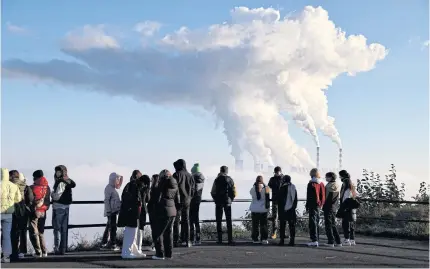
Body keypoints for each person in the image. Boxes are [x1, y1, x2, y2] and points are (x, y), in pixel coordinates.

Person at [150, 169, 180, 260]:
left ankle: (159, 254)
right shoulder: (175, 184)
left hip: (163, 211)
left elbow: (157, 198)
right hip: (173, 211)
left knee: (157, 232)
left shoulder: (163, 183)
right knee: (168, 233)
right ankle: (169, 253)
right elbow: (178, 200)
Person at [117, 170, 144, 258]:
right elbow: (134, 199)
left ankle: (133, 250)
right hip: (132, 212)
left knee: (133, 232)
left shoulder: (130, 185)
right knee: (130, 232)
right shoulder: (134, 185)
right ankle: (126, 252)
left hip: (130, 211)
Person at [51, 165, 76, 255]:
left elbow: (57, 196)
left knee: (57, 229)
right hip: (66, 207)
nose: (57, 173)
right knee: (64, 229)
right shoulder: (67, 181)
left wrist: (52, 194)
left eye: (59, 171)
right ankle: (63, 248)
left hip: (58, 207)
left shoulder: (61, 182)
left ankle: (57, 248)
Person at [9, 171, 33, 261]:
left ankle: (13, 251)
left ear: (11, 176)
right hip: (23, 210)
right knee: (22, 231)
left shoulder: (9, 185)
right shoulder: (25, 186)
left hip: (11, 210)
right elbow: (30, 199)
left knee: (12, 231)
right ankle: (22, 251)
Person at [211, 165, 236, 245]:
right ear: (227, 171)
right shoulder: (231, 179)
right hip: (228, 202)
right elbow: (234, 191)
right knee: (229, 221)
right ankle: (230, 239)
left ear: (220, 170)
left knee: (219, 221)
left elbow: (213, 191)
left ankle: (220, 239)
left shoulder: (217, 180)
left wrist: (216, 199)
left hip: (219, 202)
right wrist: (230, 199)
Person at [0, 168, 22, 263]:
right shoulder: (13, 186)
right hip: (9, 212)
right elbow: (18, 199)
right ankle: (6, 256)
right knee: (7, 235)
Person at [172, 159, 194, 247]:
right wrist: (190, 198)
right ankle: (187, 240)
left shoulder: (176, 175)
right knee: (186, 220)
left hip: (178, 201)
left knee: (176, 221)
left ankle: (176, 240)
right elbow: (193, 189)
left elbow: (173, 188)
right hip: (187, 201)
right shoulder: (190, 175)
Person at [29, 170, 51, 257]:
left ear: (35, 177)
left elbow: (30, 200)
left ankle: (38, 252)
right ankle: (44, 251)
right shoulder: (47, 187)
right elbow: (48, 200)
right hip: (44, 211)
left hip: (35, 211)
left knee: (34, 231)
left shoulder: (32, 187)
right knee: (41, 231)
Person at [101, 172, 123, 251]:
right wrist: (109, 211)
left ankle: (104, 243)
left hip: (113, 211)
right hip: (112, 211)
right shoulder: (109, 188)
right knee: (113, 228)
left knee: (109, 227)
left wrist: (121, 178)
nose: (118, 180)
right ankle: (112, 244)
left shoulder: (113, 188)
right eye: (117, 179)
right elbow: (106, 200)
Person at [305, 168, 325, 247]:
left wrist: (307, 206)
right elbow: (323, 195)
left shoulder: (311, 184)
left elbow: (309, 196)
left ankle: (314, 240)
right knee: (317, 221)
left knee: (312, 222)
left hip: (312, 205)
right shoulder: (321, 184)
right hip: (318, 205)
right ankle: (317, 239)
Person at [277, 175, 298, 246]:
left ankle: (282, 240)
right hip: (291, 209)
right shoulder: (293, 187)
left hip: (283, 209)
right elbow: (295, 199)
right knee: (292, 225)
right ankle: (292, 240)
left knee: (282, 225)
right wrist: (293, 207)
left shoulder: (283, 188)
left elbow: (280, 200)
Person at [322, 172, 342, 247]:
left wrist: (324, 206)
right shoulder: (337, 185)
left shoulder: (328, 186)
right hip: (334, 207)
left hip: (328, 207)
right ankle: (338, 241)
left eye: (327, 177)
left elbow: (327, 198)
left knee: (328, 224)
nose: (326, 178)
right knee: (333, 224)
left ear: (330, 177)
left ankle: (330, 241)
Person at [339, 170, 358, 246]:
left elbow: (345, 197)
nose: (340, 177)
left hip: (347, 205)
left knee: (345, 223)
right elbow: (354, 194)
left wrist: (343, 206)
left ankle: (347, 239)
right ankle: (352, 239)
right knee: (351, 222)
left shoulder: (345, 184)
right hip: (352, 206)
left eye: (340, 176)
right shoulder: (351, 183)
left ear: (342, 176)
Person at [249, 175, 270, 244]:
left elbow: (251, 193)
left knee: (255, 225)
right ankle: (264, 238)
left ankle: (255, 239)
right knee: (263, 224)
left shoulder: (253, 188)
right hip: (263, 209)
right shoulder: (266, 188)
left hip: (254, 209)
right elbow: (268, 197)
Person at [189, 163, 205, 245]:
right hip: (198, 199)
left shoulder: (193, 178)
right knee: (196, 219)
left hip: (192, 200)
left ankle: (191, 238)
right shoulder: (202, 178)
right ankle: (198, 238)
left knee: (191, 219)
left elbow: (192, 190)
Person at [136, 174, 151, 254]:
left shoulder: (137, 187)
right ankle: (139, 247)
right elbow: (148, 199)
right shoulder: (146, 189)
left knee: (136, 228)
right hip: (143, 210)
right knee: (141, 228)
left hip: (137, 209)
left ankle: (136, 246)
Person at [268, 166, 283, 239]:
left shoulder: (283, 178)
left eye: (277, 172)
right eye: (275, 172)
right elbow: (269, 186)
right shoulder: (272, 179)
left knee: (282, 217)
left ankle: (282, 233)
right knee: (275, 217)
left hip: (281, 200)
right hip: (275, 200)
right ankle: (274, 233)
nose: (276, 173)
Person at [147, 174, 160, 252]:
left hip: (152, 210)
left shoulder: (152, 189)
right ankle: (156, 244)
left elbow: (149, 200)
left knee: (154, 228)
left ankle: (154, 244)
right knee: (158, 228)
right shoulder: (160, 188)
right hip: (158, 210)